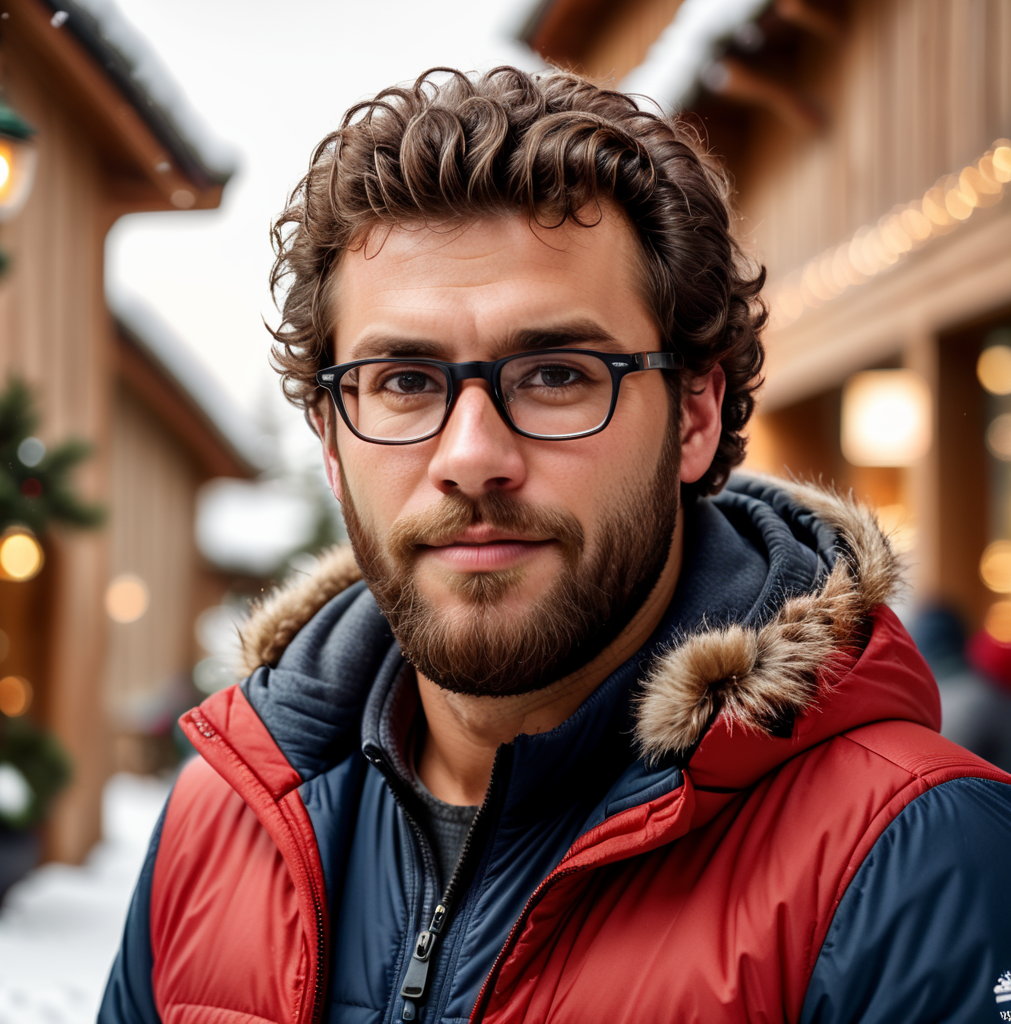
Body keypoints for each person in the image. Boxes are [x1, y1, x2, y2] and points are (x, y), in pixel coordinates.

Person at [100, 67, 1011, 1024]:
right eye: (405, 380)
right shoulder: (219, 825)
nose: (471, 457)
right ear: (332, 441)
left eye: (556, 374)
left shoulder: (917, 860)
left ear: (694, 415)